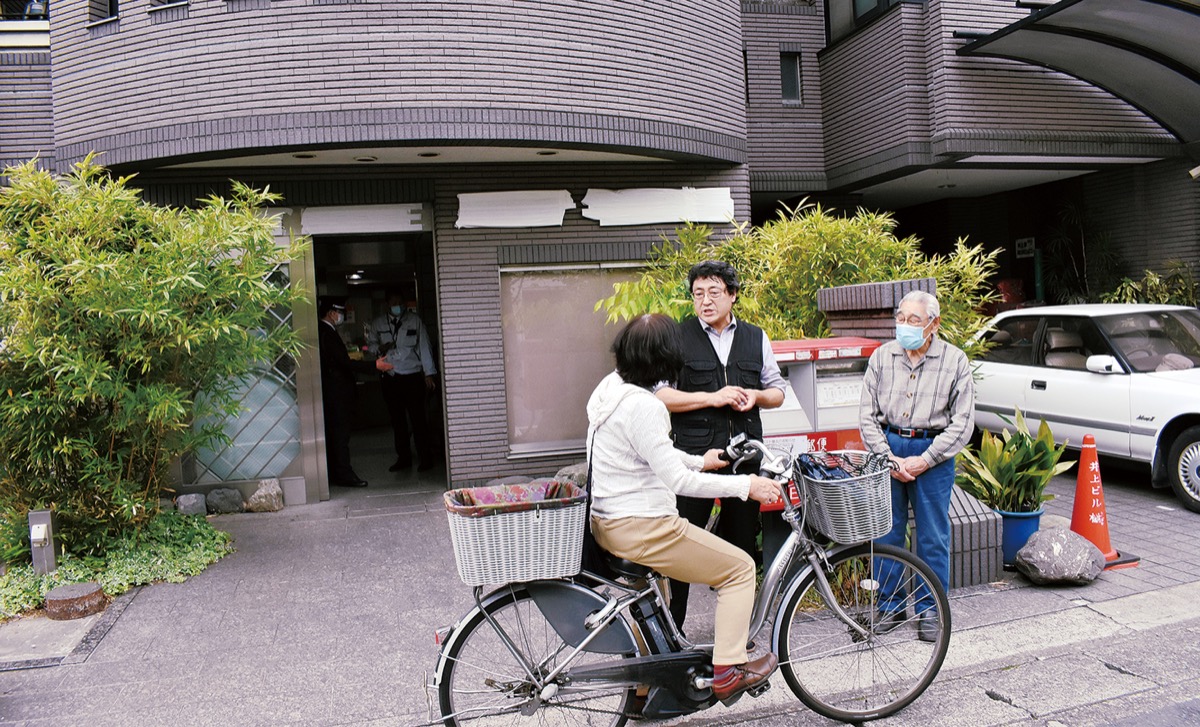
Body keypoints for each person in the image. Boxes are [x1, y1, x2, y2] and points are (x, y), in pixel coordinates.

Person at [587, 313, 780, 705]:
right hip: (644, 525)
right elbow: (679, 483)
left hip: (609, 519)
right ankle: (728, 672)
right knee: (740, 568)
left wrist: (700, 459)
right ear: (665, 361)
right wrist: (748, 486)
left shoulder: (609, 389)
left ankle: (647, 685)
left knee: (655, 603)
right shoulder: (644, 406)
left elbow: (643, 455)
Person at [655, 260, 787, 630]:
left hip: (744, 459)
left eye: (714, 292)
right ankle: (671, 631)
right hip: (696, 459)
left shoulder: (756, 336)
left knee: (742, 545)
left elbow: (778, 392)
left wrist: (756, 396)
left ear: (732, 295)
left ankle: (736, 635)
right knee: (682, 543)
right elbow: (662, 395)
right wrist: (712, 398)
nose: (705, 301)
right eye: (698, 294)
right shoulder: (676, 338)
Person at [858, 289, 974, 642]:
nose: (905, 326)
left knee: (932, 536)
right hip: (889, 446)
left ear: (934, 324)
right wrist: (888, 457)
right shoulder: (882, 357)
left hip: (933, 450)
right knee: (887, 532)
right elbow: (866, 416)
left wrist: (926, 459)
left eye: (914, 320)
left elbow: (963, 422)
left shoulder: (955, 361)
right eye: (901, 318)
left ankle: (930, 609)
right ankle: (890, 606)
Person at [318, 297, 393, 487]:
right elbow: (344, 363)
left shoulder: (327, 331)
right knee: (340, 434)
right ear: (331, 313)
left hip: (335, 392)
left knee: (337, 434)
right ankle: (343, 473)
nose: (341, 316)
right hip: (336, 393)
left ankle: (337, 472)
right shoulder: (326, 332)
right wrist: (373, 365)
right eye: (339, 312)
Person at [366, 290, 440, 472]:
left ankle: (425, 458)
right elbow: (369, 346)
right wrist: (379, 348)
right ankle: (404, 458)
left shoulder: (414, 321)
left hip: (413, 376)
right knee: (397, 420)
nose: (397, 305)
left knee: (418, 419)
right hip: (391, 377)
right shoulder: (378, 323)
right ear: (387, 304)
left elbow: (424, 347)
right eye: (394, 302)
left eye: (400, 302)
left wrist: (429, 373)